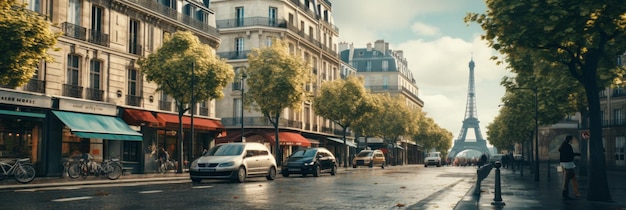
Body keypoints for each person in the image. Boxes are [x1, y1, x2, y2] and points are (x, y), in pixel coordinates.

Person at [559, 135, 581, 199]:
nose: (572, 141)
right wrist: (578, 154)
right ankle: (566, 193)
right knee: (567, 180)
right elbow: (570, 154)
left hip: (564, 164)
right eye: (572, 139)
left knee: (571, 178)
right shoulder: (568, 146)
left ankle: (574, 192)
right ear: (570, 140)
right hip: (568, 164)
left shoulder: (563, 146)